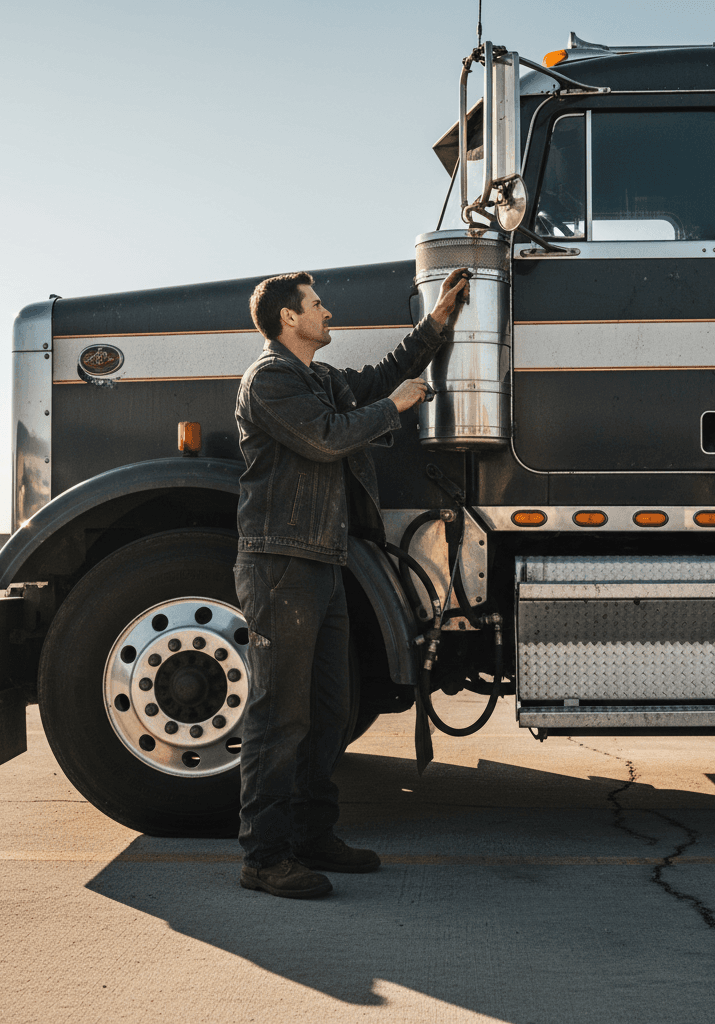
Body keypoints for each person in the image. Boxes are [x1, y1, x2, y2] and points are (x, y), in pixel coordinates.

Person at [234, 266, 469, 899]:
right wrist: (393, 408)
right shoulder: (271, 380)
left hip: (322, 559)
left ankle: (312, 837)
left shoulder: (318, 377)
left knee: (330, 710)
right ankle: (264, 855)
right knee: (280, 714)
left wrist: (437, 324)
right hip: (281, 563)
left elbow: (376, 376)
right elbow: (326, 437)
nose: (327, 312)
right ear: (290, 317)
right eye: (316, 305)